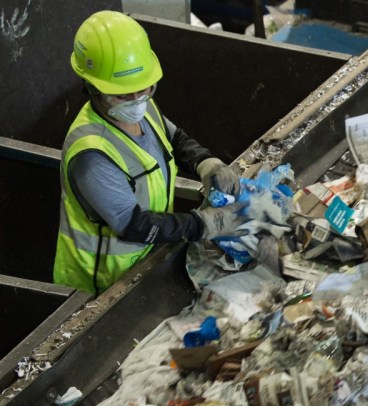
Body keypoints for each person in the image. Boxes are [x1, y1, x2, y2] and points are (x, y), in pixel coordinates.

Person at [54, 11, 248, 295]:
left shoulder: (141, 108)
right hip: (102, 287)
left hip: (146, 261)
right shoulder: (92, 155)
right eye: (123, 94)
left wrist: (206, 162)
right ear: (92, 87)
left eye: (144, 89)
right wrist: (202, 224)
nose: (137, 101)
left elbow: (175, 138)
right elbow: (134, 225)